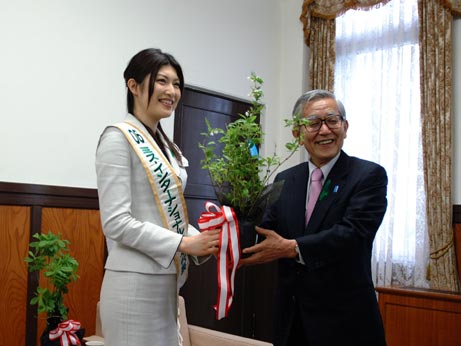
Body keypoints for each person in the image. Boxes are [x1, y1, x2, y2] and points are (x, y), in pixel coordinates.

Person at [239, 90, 388, 346]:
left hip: (346, 323)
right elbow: (264, 229)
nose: (324, 130)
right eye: (313, 123)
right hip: (292, 322)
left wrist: (291, 248)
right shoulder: (285, 179)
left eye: (332, 120)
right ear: (297, 133)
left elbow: (352, 234)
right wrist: (229, 236)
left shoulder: (368, 176)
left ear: (345, 126)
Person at [95, 48, 220, 346]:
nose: (171, 91)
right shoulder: (117, 138)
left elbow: (164, 216)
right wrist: (184, 243)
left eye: (176, 84)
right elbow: (116, 223)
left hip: (166, 284)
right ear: (134, 85)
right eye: (162, 81)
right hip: (132, 285)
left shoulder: (167, 146)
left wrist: (205, 239)